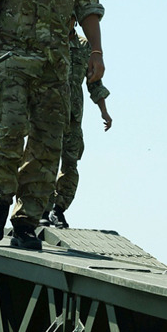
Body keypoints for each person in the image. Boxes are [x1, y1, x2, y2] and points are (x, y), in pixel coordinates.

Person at [0, 0, 105, 250]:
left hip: (54, 66)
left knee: (47, 144)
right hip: (10, 60)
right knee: (10, 132)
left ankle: (26, 223)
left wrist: (96, 52)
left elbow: (88, 5)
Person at [41, 24, 113, 229]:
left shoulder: (84, 46)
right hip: (48, 114)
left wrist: (104, 111)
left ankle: (59, 209)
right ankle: (43, 208)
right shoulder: (47, 40)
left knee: (70, 164)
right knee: (46, 161)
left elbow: (94, 82)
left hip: (73, 117)